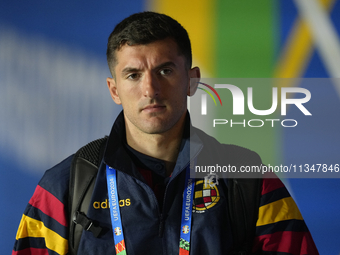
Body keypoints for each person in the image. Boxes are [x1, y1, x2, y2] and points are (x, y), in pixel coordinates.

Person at [12, 11, 319, 255]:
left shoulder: (248, 179)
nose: (150, 89)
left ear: (192, 81)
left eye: (165, 71)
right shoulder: (64, 187)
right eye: (133, 75)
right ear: (114, 89)